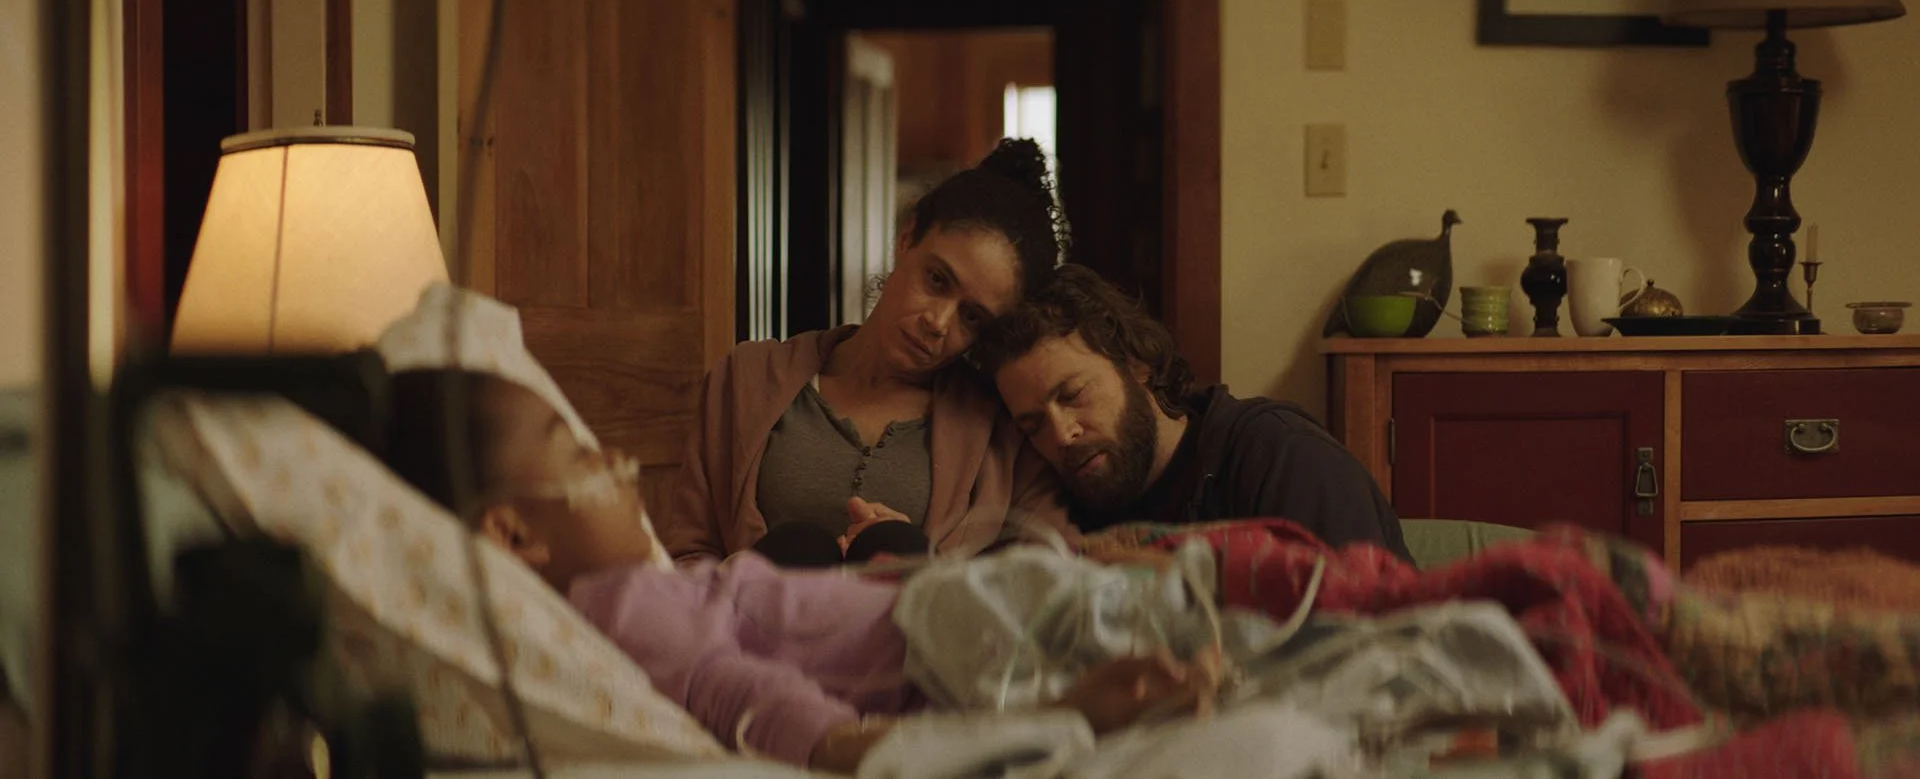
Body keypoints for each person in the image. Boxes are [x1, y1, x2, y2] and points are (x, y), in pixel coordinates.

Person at [381, 368, 1216, 774]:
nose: (617, 465)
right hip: (946, 643)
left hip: (938, 613)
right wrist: (1059, 714)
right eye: (581, 456)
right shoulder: (622, 607)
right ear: (513, 532)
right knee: (1165, 610)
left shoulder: (627, 600)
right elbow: (748, 696)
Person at [658, 138, 1079, 566]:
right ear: (907, 238)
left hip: (921, 610)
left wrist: (923, 564)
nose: (938, 322)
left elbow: (1044, 575)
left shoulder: (1000, 426)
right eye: (936, 280)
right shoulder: (746, 379)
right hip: (752, 609)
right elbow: (688, 555)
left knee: (896, 547)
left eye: (971, 317)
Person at [971, 264, 1412, 560]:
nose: (1061, 434)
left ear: (1136, 365)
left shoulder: (1281, 457)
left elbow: (1367, 640)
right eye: (1033, 425)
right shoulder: (1067, 512)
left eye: (1073, 394)